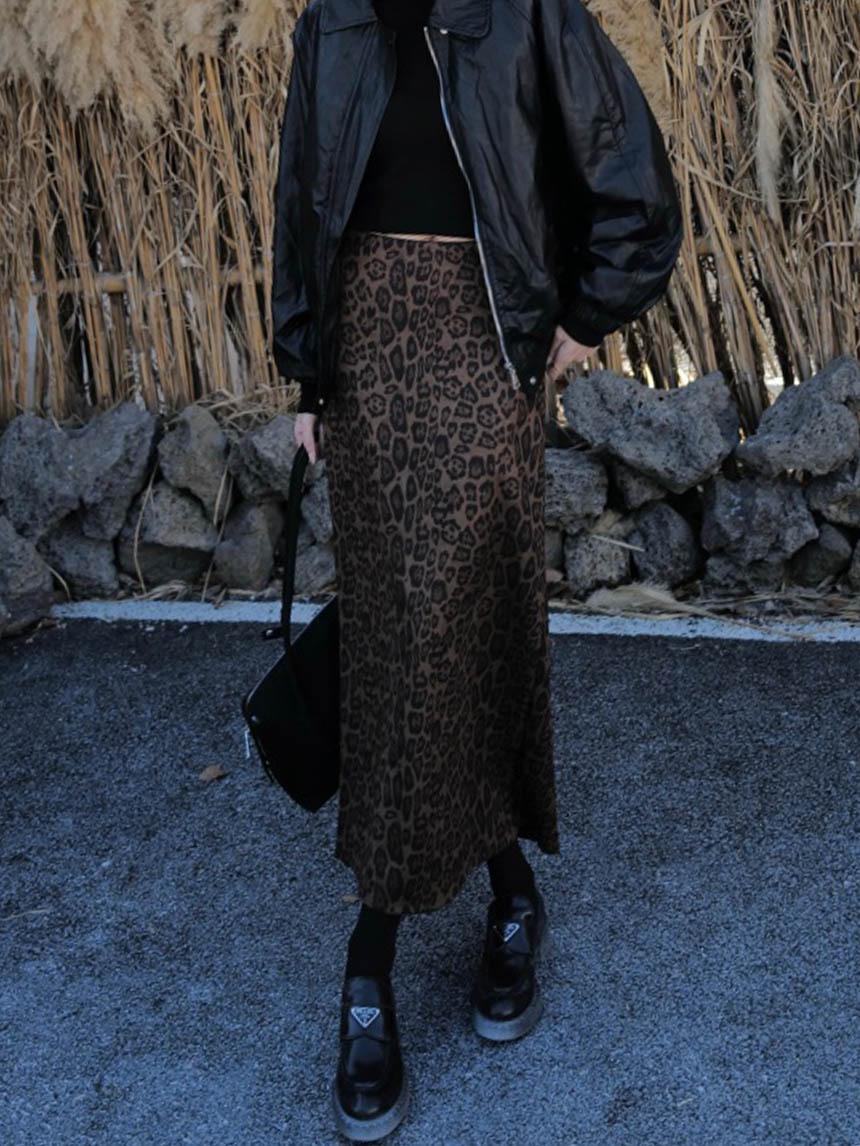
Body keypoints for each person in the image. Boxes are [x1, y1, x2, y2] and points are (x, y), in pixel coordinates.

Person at [271, 0, 682, 1138]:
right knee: (401, 630)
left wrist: (588, 314)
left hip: (480, 344)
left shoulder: (525, 8)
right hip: (366, 353)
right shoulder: (331, 18)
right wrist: (306, 375)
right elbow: (301, 195)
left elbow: (630, 175)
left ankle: (371, 952)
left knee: (458, 616)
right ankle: (508, 890)